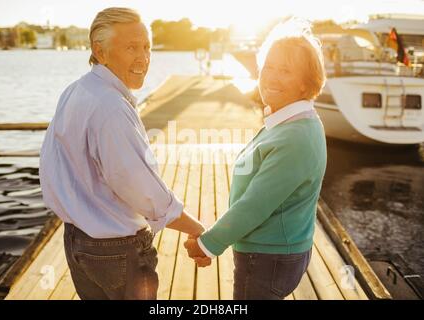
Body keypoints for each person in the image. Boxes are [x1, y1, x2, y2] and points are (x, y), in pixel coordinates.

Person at [39, 7, 205, 300]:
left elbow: (51, 164)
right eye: (131, 47)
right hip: (117, 251)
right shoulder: (111, 107)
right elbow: (140, 188)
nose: (143, 57)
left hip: (77, 241)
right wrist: (195, 228)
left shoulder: (75, 91)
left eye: (146, 47)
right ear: (99, 52)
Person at [184, 19, 328, 300]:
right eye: (268, 67)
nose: (271, 77)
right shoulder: (290, 121)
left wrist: (208, 244)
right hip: (271, 253)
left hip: (267, 259)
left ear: (305, 83)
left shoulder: (295, 135)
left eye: (285, 70)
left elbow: (255, 204)